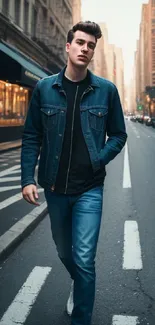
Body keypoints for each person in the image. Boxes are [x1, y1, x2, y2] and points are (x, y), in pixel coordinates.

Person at [21, 21, 127, 325]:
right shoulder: (44, 88)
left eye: (91, 45)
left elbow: (118, 135)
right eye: (80, 43)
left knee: (83, 259)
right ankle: (79, 283)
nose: (85, 48)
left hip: (89, 189)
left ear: (93, 52)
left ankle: (81, 317)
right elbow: (31, 136)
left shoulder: (106, 91)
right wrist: (27, 178)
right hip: (55, 188)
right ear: (68, 47)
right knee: (65, 253)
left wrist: (98, 160)